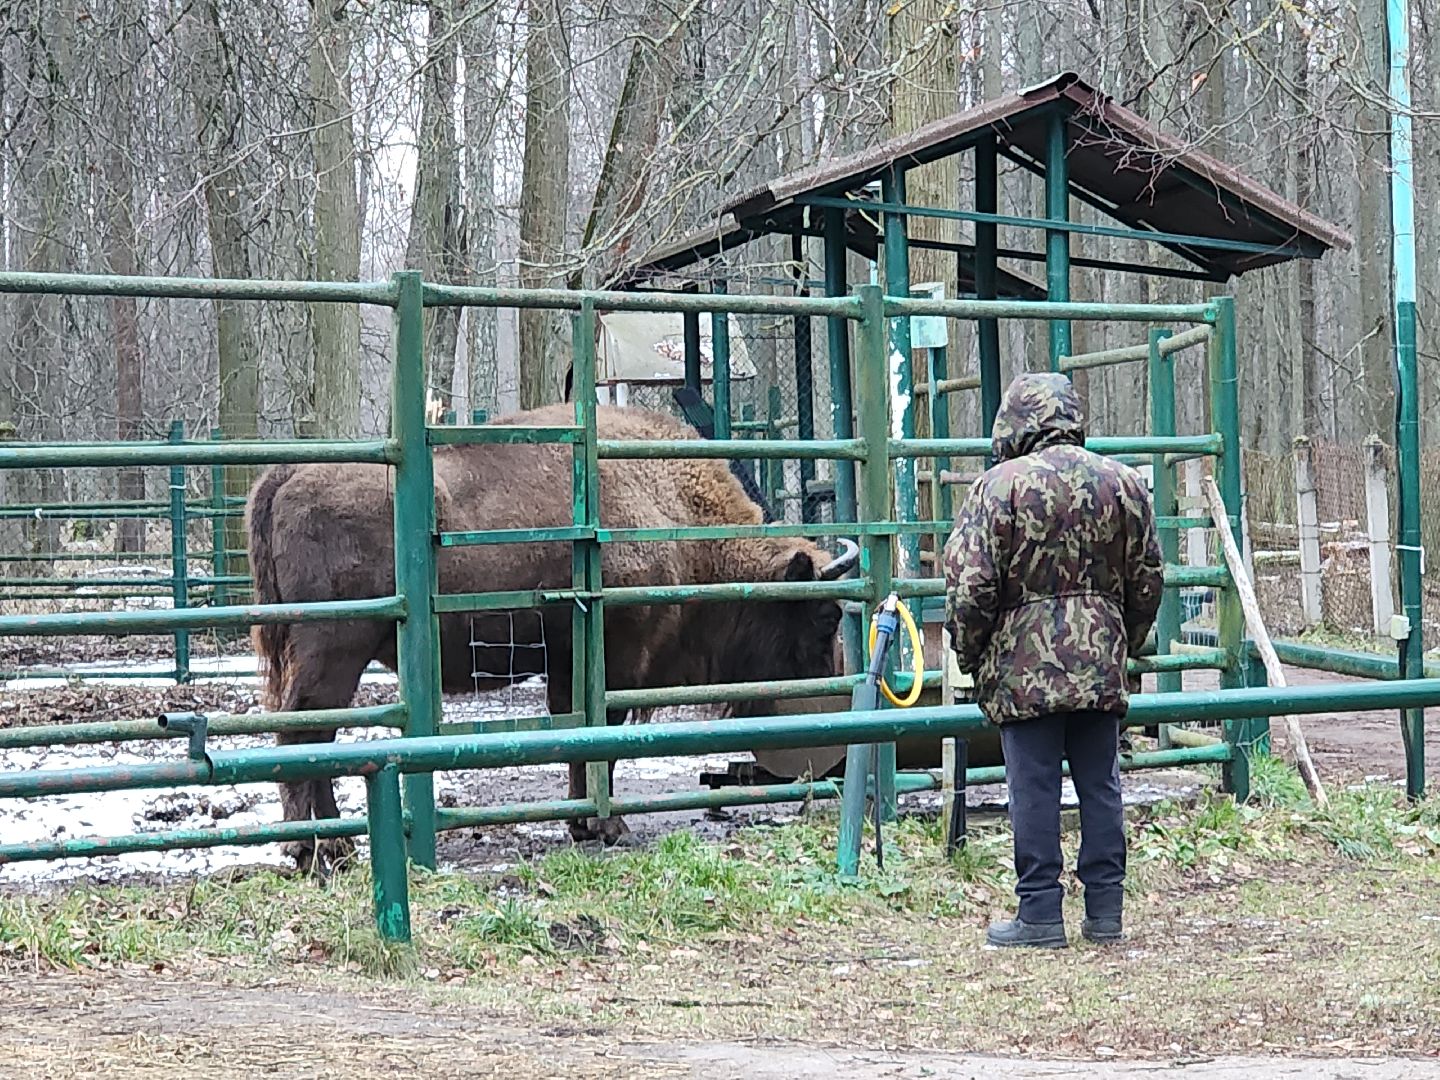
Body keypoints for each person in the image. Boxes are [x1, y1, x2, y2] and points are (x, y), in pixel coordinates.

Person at [943, 372, 1163, 949]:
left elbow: (972, 586)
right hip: (1101, 663)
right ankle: (1106, 911)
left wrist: (971, 653)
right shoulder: (1124, 483)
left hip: (1023, 668)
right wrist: (1127, 642)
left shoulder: (998, 488)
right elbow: (1147, 577)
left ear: (1013, 422)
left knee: (1033, 788)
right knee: (1101, 785)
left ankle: (1040, 914)